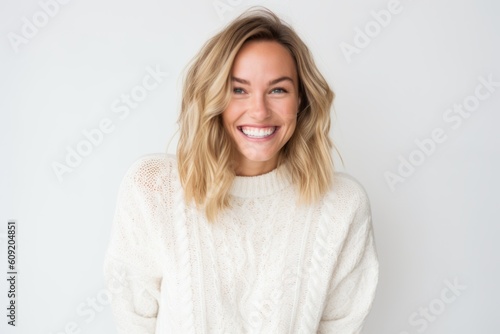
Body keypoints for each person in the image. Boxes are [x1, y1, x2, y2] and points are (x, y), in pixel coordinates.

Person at [104, 7, 379, 334]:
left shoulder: (342, 206)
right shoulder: (153, 189)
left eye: (278, 89)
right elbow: (134, 321)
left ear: (301, 100)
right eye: (239, 89)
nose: (260, 111)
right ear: (212, 96)